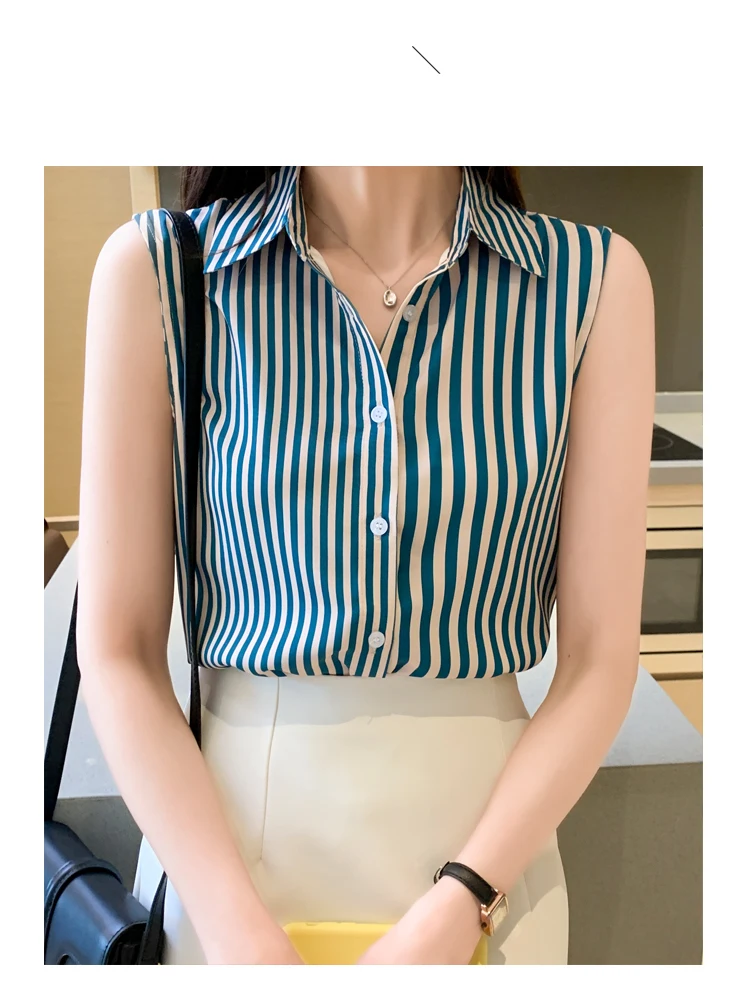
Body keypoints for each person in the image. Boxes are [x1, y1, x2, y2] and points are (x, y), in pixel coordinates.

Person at [76, 165, 654, 965]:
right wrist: (235, 929)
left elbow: (600, 662)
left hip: (491, 871)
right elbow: (118, 653)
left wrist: (463, 901)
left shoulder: (591, 285)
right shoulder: (161, 272)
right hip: (226, 874)